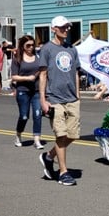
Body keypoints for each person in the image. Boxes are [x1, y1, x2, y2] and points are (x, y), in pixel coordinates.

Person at [38, 16, 80, 186]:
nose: (66, 29)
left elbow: (76, 73)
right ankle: (63, 172)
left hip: (72, 99)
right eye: (62, 27)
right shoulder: (47, 49)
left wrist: (78, 96)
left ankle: (48, 157)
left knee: (73, 135)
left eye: (68, 27)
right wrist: (43, 99)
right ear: (54, 28)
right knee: (61, 135)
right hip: (54, 98)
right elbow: (43, 74)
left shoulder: (72, 49)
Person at [10, 35, 44, 149]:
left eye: (32, 45)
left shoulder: (38, 57)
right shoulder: (17, 59)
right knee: (24, 116)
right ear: (23, 46)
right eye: (28, 45)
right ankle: (18, 135)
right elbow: (14, 77)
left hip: (36, 91)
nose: (30, 47)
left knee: (38, 115)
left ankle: (37, 140)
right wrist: (27, 78)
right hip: (23, 91)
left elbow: (43, 72)